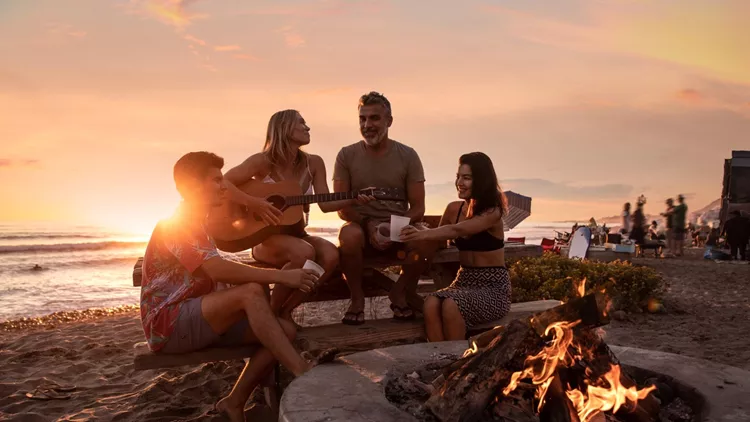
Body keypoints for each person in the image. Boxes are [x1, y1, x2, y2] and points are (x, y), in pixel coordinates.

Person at [140, 151, 327, 421]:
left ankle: (234, 402)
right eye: (216, 180)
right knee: (251, 293)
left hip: (197, 316)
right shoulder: (177, 224)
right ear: (193, 187)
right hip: (168, 323)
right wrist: (284, 277)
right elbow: (215, 268)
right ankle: (301, 370)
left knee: (283, 329)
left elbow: (213, 271)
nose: (224, 185)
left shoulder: (199, 223)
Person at [223, 110, 373, 324]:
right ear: (284, 128)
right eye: (301, 122)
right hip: (265, 238)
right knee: (304, 252)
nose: (308, 127)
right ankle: (271, 316)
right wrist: (254, 203)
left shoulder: (314, 163)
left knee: (330, 255)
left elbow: (326, 204)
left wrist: (355, 198)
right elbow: (224, 183)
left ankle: (286, 311)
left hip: (297, 233)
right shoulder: (261, 162)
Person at [333, 91, 437, 324]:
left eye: (374, 118)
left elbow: (418, 207)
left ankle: (399, 290)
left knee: (427, 239)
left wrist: (393, 227)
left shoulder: (408, 155)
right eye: (363, 119)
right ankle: (357, 299)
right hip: (362, 229)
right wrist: (368, 225)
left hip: (398, 228)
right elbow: (342, 207)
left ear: (389, 121)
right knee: (347, 235)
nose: (367, 125)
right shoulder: (346, 155)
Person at [401, 152, 510, 341]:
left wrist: (424, 233)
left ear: (482, 181)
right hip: (463, 281)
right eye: (458, 177)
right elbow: (442, 240)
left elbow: (457, 230)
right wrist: (421, 229)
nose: (459, 182)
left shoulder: (493, 211)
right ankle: (439, 358)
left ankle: (458, 360)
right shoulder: (454, 209)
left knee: (452, 304)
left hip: (493, 287)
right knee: (430, 303)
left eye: (466, 178)